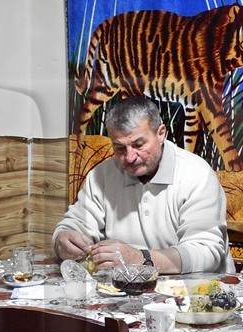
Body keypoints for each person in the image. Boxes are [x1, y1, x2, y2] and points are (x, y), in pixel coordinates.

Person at [53, 95, 232, 274]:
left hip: (195, 293)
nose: (130, 157)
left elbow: (206, 253)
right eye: (120, 148)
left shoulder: (196, 175)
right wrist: (63, 239)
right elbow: (75, 225)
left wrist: (140, 259)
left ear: (161, 133)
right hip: (123, 292)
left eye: (139, 145)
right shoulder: (102, 175)